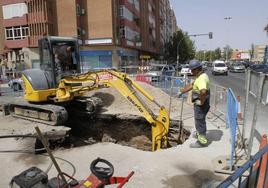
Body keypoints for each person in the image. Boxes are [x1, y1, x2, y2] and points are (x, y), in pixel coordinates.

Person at [179, 60, 210, 147]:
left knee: (200, 121)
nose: (191, 72)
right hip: (199, 102)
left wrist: (201, 102)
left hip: (201, 103)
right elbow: (192, 85)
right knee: (198, 119)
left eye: (192, 70)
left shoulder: (202, 79)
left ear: (197, 69)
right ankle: (199, 134)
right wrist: (182, 91)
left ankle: (201, 141)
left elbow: (203, 92)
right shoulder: (200, 76)